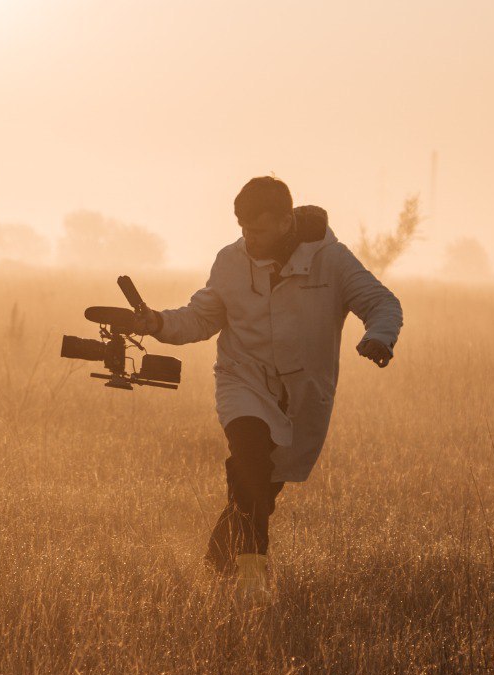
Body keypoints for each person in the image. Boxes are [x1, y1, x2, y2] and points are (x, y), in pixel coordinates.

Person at [132, 176, 402, 602]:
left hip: (301, 395)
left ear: (285, 222)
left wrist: (380, 337)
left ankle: (216, 565)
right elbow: (201, 317)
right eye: (243, 229)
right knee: (250, 463)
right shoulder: (230, 260)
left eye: (257, 230)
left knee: (257, 489)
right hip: (242, 379)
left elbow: (382, 303)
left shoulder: (332, 260)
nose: (248, 239)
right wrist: (158, 323)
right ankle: (253, 580)